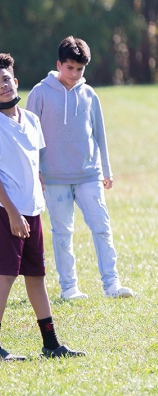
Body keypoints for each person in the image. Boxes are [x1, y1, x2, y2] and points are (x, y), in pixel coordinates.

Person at [0, 52, 85, 362]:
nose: (3, 86)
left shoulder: (32, 120)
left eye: (6, 79)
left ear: (15, 80)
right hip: (4, 208)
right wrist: (12, 212)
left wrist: (36, 192)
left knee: (36, 275)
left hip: (32, 208)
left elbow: (32, 162)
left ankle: (51, 344)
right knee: (6, 273)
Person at [25, 36, 134, 300]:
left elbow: (100, 134)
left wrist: (105, 170)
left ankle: (111, 284)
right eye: (70, 67)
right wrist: (34, 172)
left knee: (102, 227)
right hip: (54, 178)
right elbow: (29, 137)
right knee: (63, 232)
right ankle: (69, 288)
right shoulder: (40, 93)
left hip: (89, 175)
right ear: (58, 64)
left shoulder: (89, 94)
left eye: (80, 69)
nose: (74, 74)